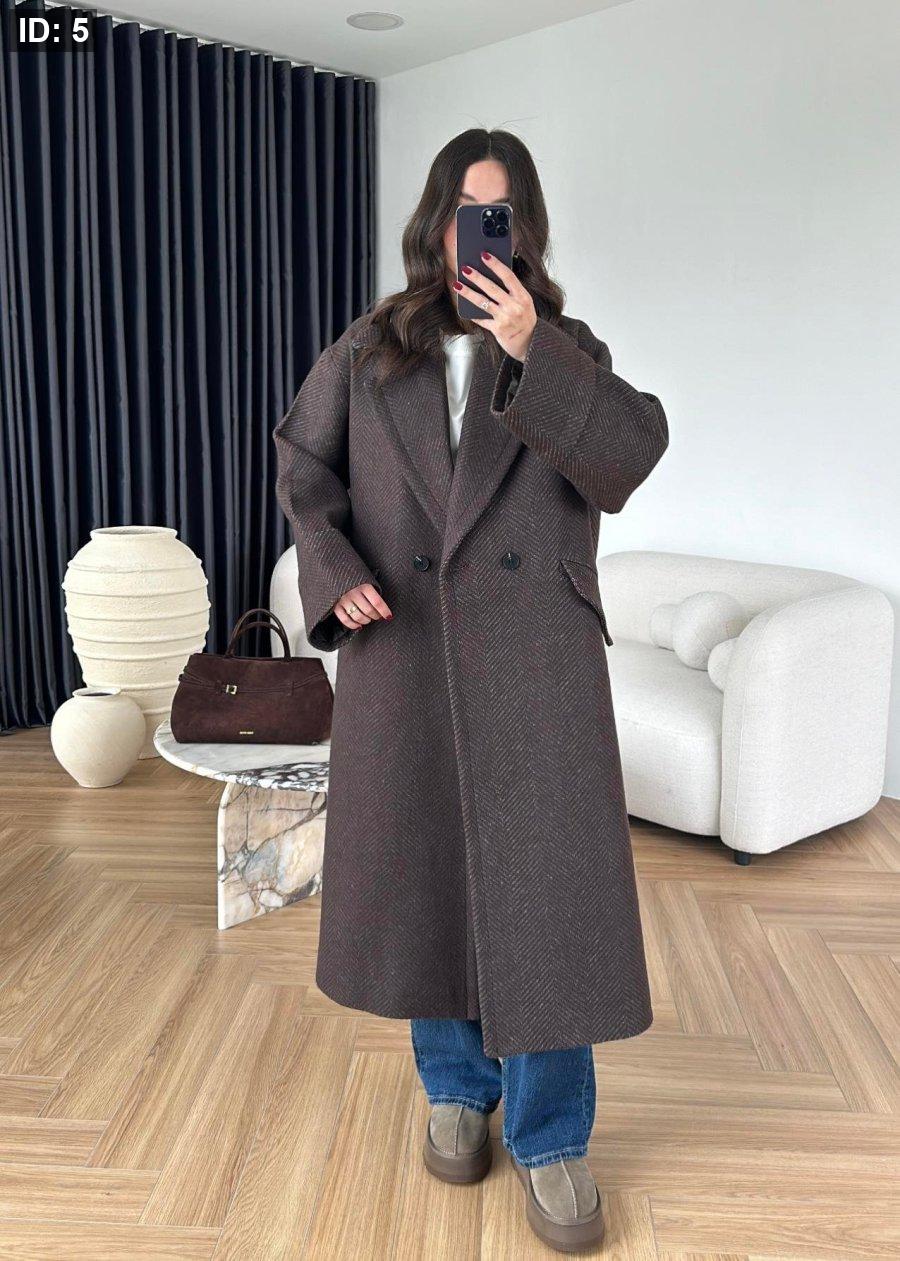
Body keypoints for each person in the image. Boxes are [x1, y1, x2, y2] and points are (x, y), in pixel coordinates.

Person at [273, 127, 668, 1252]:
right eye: (461, 208)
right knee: (424, 880)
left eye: (497, 212)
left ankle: (552, 1135)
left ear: (524, 230)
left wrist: (533, 346)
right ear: (435, 221)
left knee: (547, 898)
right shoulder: (371, 348)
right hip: (406, 650)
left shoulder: (566, 348)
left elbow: (629, 459)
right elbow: (303, 464)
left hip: (535, 662)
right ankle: (455, 1085)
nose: (475, 232)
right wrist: (333, 568)